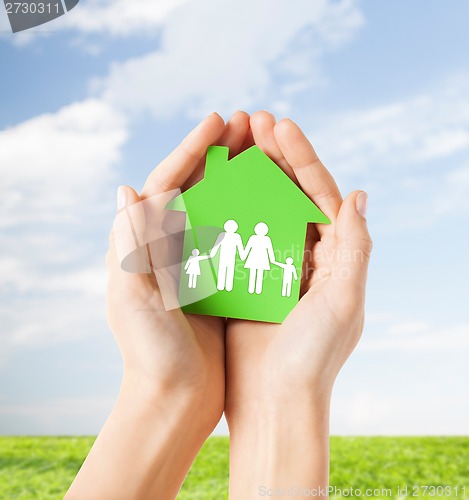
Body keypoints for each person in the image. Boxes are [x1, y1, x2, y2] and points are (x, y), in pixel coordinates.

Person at [65, 111, 372, 499]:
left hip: (255, 271)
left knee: (248, 278)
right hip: (221, 267)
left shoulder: (252, 239)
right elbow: (233, 247)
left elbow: (248, 248)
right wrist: (166, 385)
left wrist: (278, 398)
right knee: (223, 272)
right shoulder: (230, 238)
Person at [209, 219, 244, 292]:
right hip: (224, 257)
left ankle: (226, 286)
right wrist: (212, 254)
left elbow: (240, 247)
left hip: (230, 257)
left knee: (228, 271)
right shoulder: (223, 235)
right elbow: (216, 245)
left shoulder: (236, 236)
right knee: (224, 270)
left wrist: (242, 255)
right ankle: (222, 286)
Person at [241, 221, 276, 294]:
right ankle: (251, 289)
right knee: (253, 274)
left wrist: (272, 260)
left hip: (262, 258)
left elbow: (270, 249)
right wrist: (244, 255)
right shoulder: (253, 238)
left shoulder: (267, 239)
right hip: (253, 257)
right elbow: (248, 247)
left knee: (259, 274)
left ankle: (258, 290)